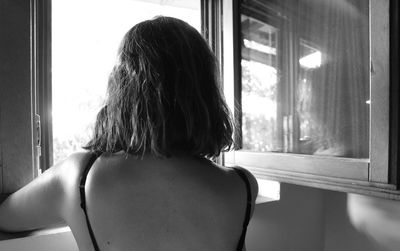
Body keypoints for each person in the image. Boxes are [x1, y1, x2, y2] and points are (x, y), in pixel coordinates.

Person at [0, 16, 258, 251]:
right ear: (206, 93)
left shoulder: (80, 177)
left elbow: (6, 216)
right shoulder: (242, 186)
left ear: (122, 88)